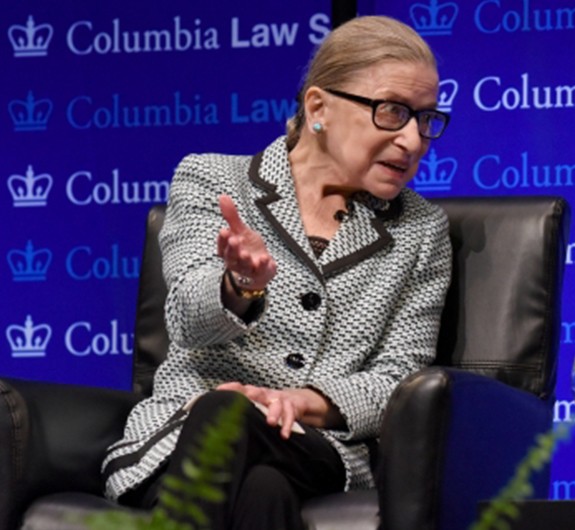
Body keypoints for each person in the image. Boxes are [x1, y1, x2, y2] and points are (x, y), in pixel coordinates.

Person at [102, 15, 452, 529]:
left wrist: (300, 402)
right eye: (393, 112)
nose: (413, 140)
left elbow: (401, 379)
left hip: (317, 446)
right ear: (318, 108)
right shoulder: (211, 179)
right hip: (182, 434)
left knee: (231, 422)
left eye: (425, 119)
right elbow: (186, 321)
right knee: (262, 491)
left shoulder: (422, 230)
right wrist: (238, 284)